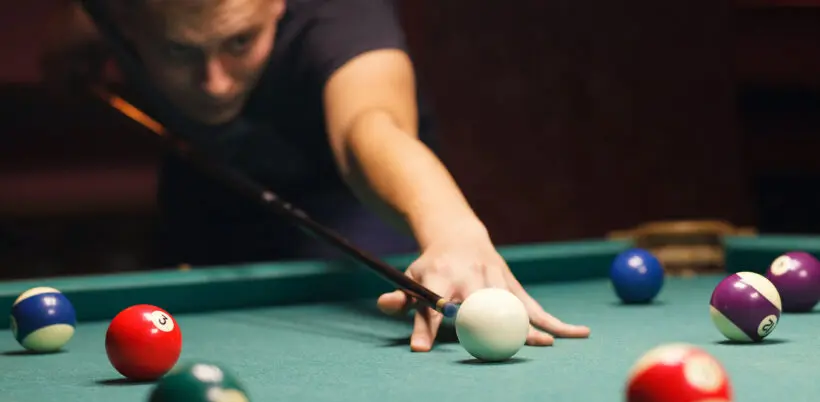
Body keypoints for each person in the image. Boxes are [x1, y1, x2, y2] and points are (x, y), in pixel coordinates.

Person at [41, 0, 590, 351]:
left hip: (346, 202)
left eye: (239, 42)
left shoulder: (341, 18)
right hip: (210, 178)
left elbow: (368, 130)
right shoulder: (112, 12)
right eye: (180, 50)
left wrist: (452, 227)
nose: (215, 84)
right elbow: (79, 28)